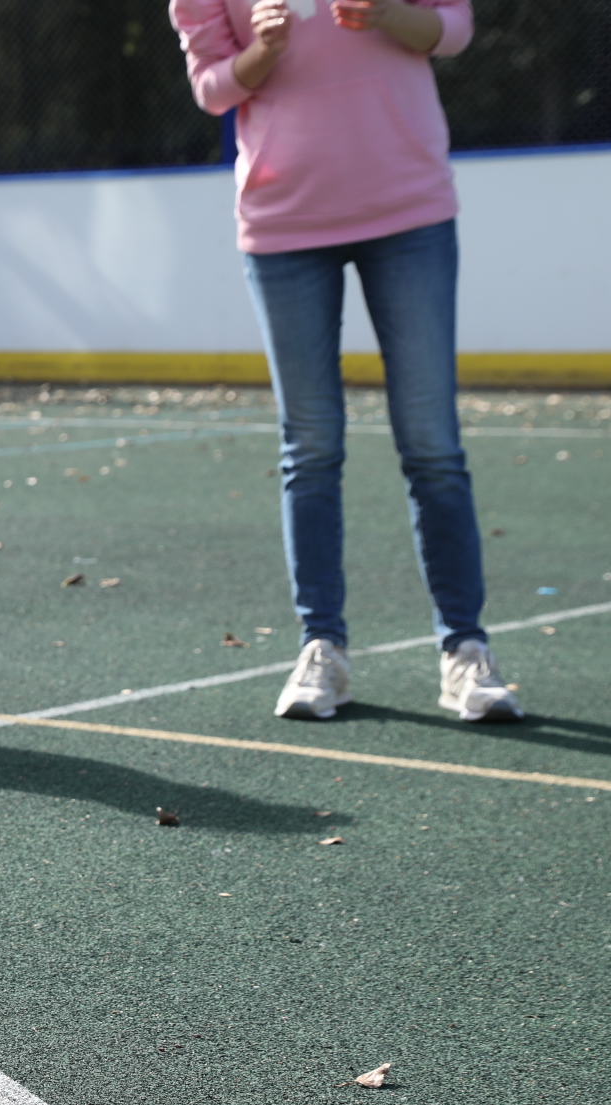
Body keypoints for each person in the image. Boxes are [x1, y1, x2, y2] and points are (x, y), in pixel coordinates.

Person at [170, 0, 523, 722]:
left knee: (432, 444)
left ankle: (464, 653)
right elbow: (211, 87)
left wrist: (390, 11)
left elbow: (452, 31)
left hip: (411, 211)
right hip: (283, 225)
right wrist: (262, 52)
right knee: (311, 445)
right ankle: (322, 650)